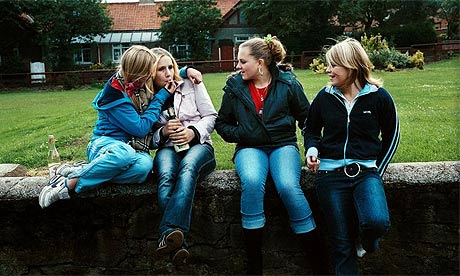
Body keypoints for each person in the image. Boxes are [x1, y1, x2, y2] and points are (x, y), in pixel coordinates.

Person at [215, 35, 328, 275]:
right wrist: (243, 132)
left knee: (287, 185)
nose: (237, 66)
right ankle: (254, 264)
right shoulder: (234, 88)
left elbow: (308, 119)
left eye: (242, 61)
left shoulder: (288, 84)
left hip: (283, 145)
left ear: (261, 63)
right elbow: (222, 124)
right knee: (253, 182)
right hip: (249, 148)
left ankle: (318, 260)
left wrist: (311, 147)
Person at [303, 38, 400, 275]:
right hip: (329, 176)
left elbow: (392, 135)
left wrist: (378, 169)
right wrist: (312, 149)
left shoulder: (379, 97)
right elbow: (311, 128)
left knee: (376, 222)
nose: (328, 70)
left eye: (333, 65)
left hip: (366, 173)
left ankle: (365, 241)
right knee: (341, 243)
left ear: (351, 65)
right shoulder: (324, 97)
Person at [38, 45, 175, 208]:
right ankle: (68, 183)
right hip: (104, 145)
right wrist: (160, 98)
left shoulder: (136, 81)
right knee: (124, 154)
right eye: (147, 73)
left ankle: (87, 170)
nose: (150, 76)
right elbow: (141, 128)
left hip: (130, 149)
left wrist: (186, 71)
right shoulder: (114, 94)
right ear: (138, 72)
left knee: (144, 168)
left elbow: (166, 74)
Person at [148, 48, 217, 266]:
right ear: (151, 73)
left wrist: (193, 132)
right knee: (167, 175)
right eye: (161, 69)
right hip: (168, 147)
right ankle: (177, 244)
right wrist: (164, 132)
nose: (168, 73)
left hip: (199, 146)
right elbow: (145, 137)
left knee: (187, 169)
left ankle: (167, 234)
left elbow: (210, 115)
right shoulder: (147, 97)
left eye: (171, 66)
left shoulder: (190, 82)